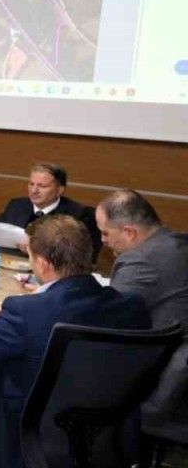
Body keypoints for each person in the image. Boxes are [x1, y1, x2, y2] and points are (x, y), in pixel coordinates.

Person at [0, 214, 150, 468]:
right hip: (102, 441)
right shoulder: (131, 306)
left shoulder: (28, 312)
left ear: (42, 264)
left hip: (21, 442)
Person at [98, 190, 188, 445]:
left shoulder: (141, 261)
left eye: (105, 233)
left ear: (129, 232)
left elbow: (106, 318)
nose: (102, 240)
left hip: (156, 380)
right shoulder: (177, 242)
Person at [0, 162, 100, 260]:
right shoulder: (17, 205)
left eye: (42, 186)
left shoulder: (78, 214)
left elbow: (83, 257)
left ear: (59, 190)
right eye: (31, 184)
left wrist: (37, 250)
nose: (34, 190)